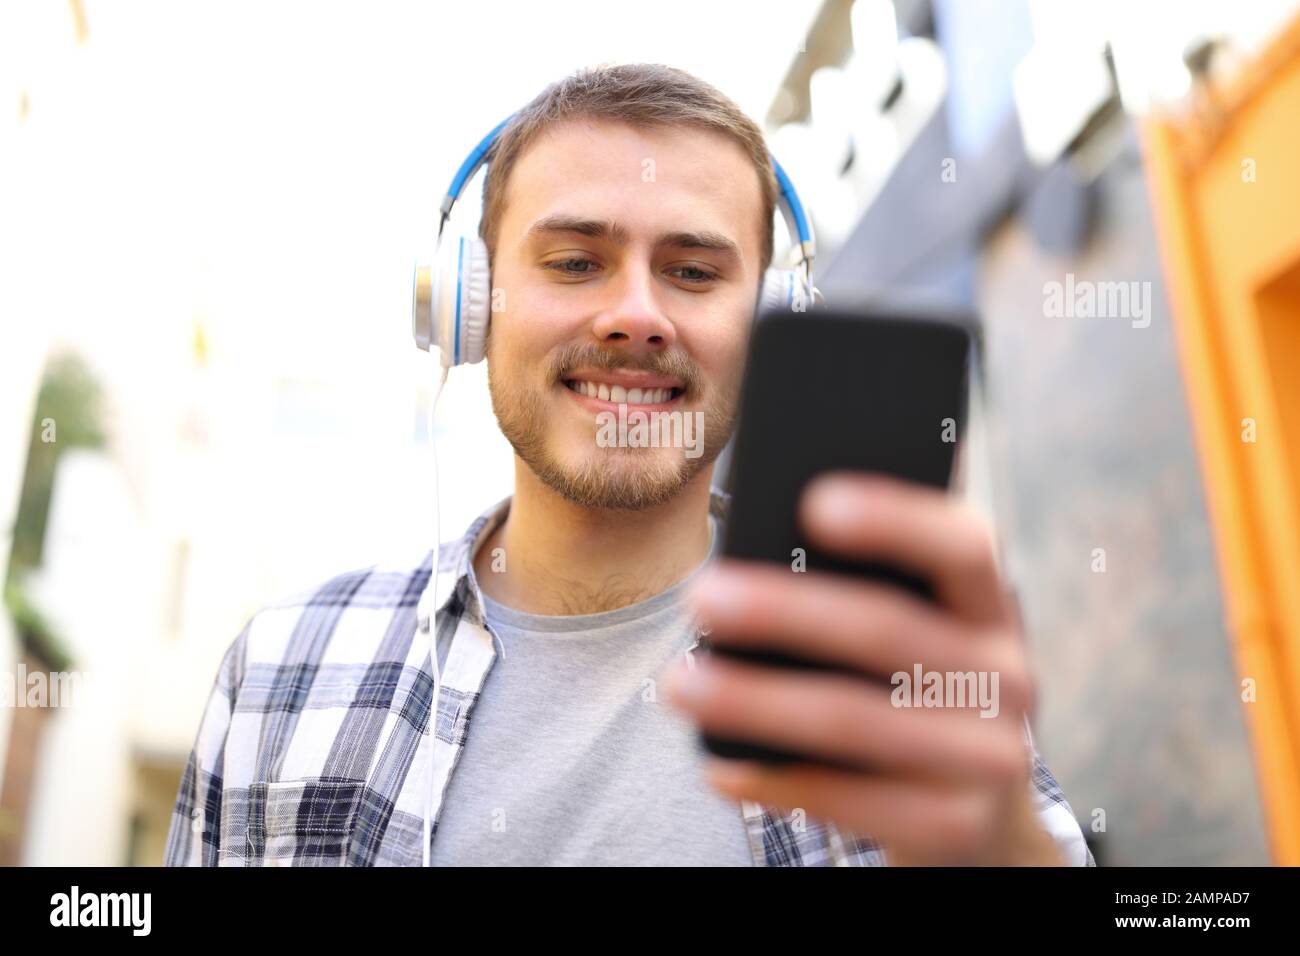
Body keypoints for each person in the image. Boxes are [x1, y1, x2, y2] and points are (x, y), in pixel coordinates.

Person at [164, 63, 1092, 867]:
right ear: (468, 305)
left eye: (693, 273)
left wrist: (1002, 850)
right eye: (574, 262)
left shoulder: (882, 665)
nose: (636, 315)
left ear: (772, 324)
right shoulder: (285, 667)